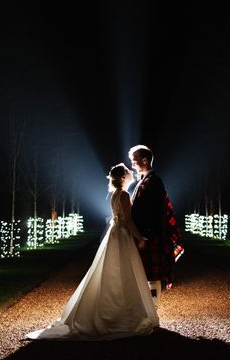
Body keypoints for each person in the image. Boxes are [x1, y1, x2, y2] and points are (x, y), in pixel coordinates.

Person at [26, 164, 159, 341]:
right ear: (122, 178)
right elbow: (127, 221)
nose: (130, 173)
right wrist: (140, 238)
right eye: (127, 172)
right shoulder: (125, 195)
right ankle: (122, 315)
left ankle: (110, 310)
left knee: (110, 271)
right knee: (124, 271)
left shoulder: (114, 194)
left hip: (114, 234)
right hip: (122, 235)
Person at [129, 145, 183, 307]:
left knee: (152, 275)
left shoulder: (154, 182)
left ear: (144, 160)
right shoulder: (145, 180)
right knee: (145, 274)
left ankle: (154, 310)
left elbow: (154, 212)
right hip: (145, 234)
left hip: (150, 235)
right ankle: (149, 309)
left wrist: (145, 236)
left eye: (134, 161)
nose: (132, 165)